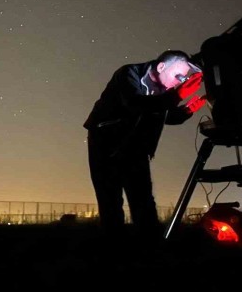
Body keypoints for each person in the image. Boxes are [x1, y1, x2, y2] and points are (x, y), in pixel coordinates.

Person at [84, 50, 208, 243]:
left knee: (143, 198)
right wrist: (178, 95)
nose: (180, 81)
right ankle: (113, 246)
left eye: (183, 78)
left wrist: (187, 111)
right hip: (106, 141)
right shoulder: (128, 74)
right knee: (110, 198)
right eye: (179, 76)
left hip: (136, 146)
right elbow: (135, 104)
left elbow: (163, 114)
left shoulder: (165, 90)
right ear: (161, 66)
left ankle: (151, 246)